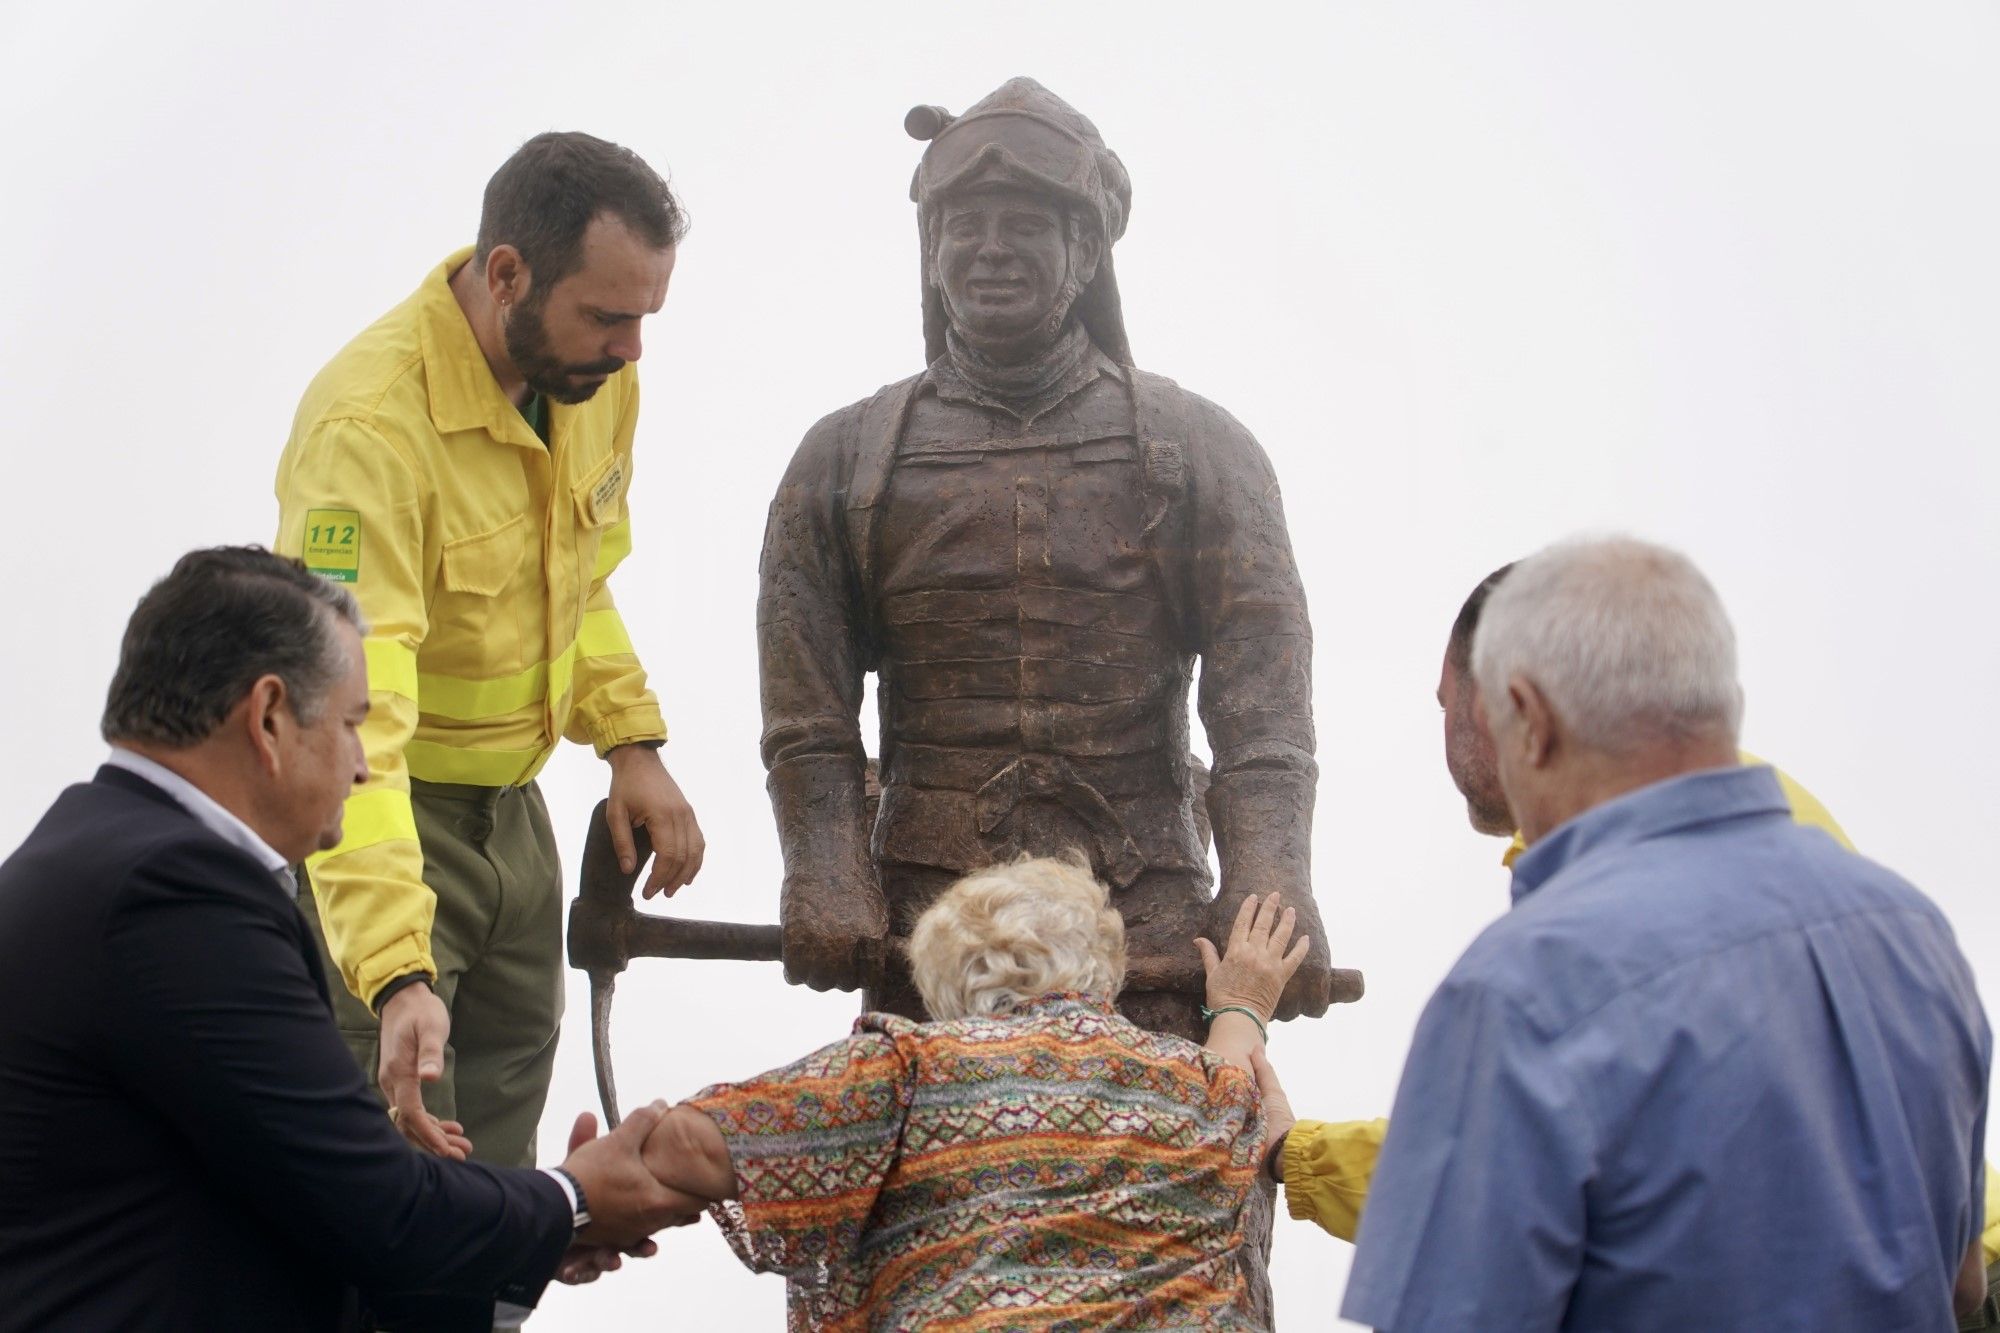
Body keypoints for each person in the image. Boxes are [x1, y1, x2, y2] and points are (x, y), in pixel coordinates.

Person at [756, 77, 1332, 1039]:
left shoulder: (1201, 449)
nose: (987, 251)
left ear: (1087, 245)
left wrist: (1273, 880)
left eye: (1022, 222)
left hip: (1143, 903)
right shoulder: (842, 458)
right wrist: (823, 866)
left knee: (1157, 1174)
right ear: (930, 246)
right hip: (929, 920)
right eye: (963, 224)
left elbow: (1262, 699)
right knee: (939, 1181)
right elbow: (807, 710)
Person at [0, 547, 698, 1332]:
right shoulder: (174, 895)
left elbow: (310, 1220)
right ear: (268, 717)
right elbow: (382, 1210)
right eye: (352, 724)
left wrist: (524, 1236)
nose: (365, 767)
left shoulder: (91, 852)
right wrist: (572, 1198)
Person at [1321, 536, 1988, 1329]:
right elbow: (1963, 1290)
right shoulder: (1915, 933)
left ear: (1529, 720)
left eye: (1458, 708)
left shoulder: (1521, 990)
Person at [274, 131, 706, 1171]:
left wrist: (628, 743)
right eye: (606, 316)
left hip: (515, 824)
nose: (631, 350)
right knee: (387, 1181)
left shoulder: (591, 382)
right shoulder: (369, 432)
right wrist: (390, 968)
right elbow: (345, 720)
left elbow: (580, 578)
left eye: (644, 317)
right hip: (385, 823)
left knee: (496, 1181)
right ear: (506, 272)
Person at [1270, 559, 1865, 1244]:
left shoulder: (1618, 865)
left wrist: (1293, 1152)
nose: (1444, 732)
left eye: (1446, 703)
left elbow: (1500, 1158)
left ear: (1504, 700)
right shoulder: (1746, 805)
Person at [598, 856, 1307, 1330]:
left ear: (942, 987)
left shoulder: (906, 1069)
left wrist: (576, 1200)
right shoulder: (1197, 1086)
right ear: (1107, 969)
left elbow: (694, 1147)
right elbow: (1238, 1055)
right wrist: (1244, 996)